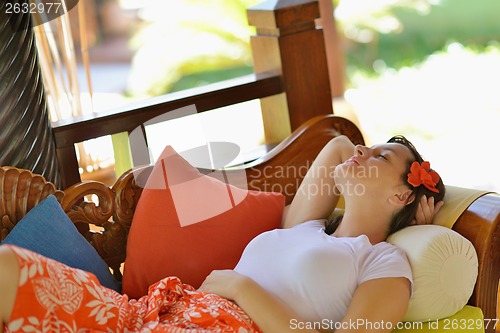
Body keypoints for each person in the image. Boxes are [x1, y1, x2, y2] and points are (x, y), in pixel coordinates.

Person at [0, 135, 444, 333]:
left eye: (382, 157)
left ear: (403, 198)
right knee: (10, 270)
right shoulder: (304, 227)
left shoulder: (383, 262)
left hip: (224, 329)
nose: (364, 151)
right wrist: (371, 161)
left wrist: (241, 286)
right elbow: (339, 145)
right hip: (155, 312)